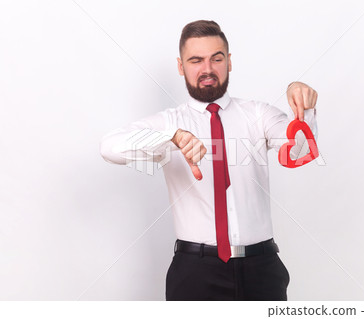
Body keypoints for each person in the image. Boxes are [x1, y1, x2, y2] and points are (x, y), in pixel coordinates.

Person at [100, 20, 318, 301]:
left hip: (262, 269)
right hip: (195, 272)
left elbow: (300, 151)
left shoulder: (257, 115)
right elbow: (110, 147)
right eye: (196, 60)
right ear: (181, 67)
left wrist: (305, 110)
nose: (207, 69)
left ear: (229, 61)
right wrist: (171, 138)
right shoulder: (170, 122)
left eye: (216, 58)